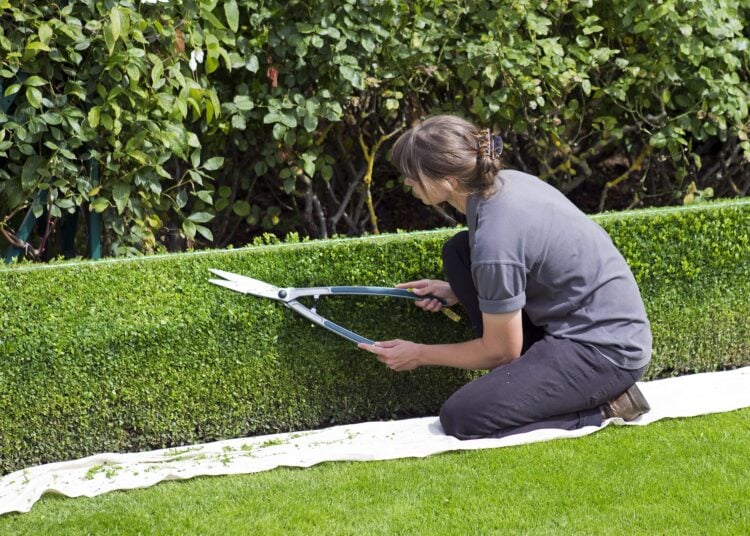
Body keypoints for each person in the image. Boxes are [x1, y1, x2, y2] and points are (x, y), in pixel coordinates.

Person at [358, 114, 652, 440]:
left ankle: (607, 406)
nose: (407, 184)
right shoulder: (503, 184)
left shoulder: (495, 240)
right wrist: (456, 290)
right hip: (585, 322)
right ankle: (535, 382)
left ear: (448, 181)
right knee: (458, 252)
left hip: (604, 351)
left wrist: (419, 353)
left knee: (461, 417)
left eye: (412, 176)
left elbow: (501, 352)